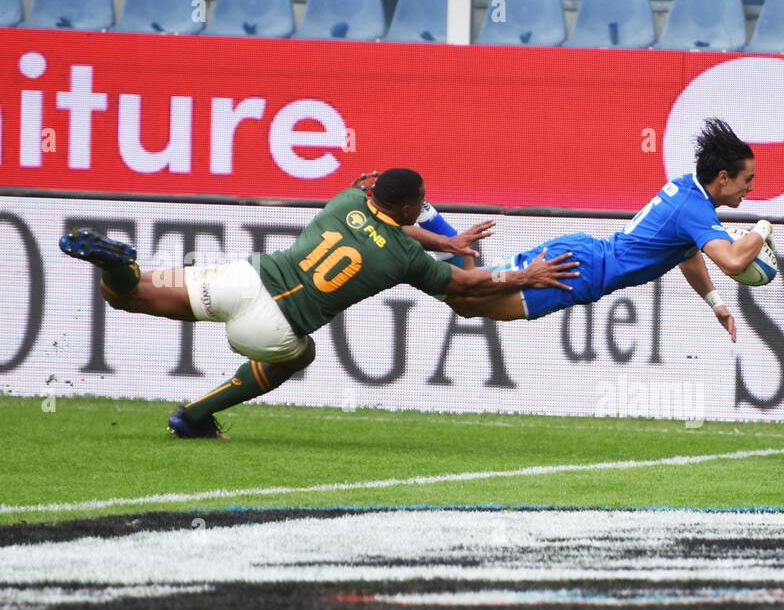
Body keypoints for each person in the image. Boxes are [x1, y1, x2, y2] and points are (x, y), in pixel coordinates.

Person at [58, 168, 578, 439]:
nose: (425, 204)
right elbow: (466, 290)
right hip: (274, 327)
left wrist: (445, 241)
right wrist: (524, 273)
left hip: (245, 278)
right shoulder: (403, 259)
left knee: (131, 295)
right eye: (420, 199)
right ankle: (194, 414)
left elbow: (387, 216)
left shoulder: (350, 198)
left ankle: (114, 264)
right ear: (406, 207)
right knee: (300, 356)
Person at [404, 118, 774, 344]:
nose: (751, 188)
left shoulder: (689, 192)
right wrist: (763, 228)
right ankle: (413, 223)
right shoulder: (694, 208)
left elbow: (688, 254)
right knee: (466, 297)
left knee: (468, 295)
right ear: (723, 177)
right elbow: (731, 261)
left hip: (583, 260)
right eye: (748, 180)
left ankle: (421, 217)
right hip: (577, 271)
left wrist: (715, 304)